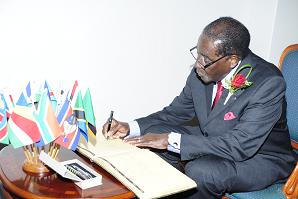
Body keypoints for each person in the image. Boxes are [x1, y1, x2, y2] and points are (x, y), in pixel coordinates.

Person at [102, 17, 296, 198]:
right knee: (150, 134)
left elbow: (240, 145)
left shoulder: (268, 83)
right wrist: (130, 126)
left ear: (232, 60)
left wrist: (172, 141)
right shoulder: (204, 71)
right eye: (198, 53)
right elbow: (175, 112)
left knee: (202, 171)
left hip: (260, 157)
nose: (197, 65)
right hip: (216, 138)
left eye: (205, 59)